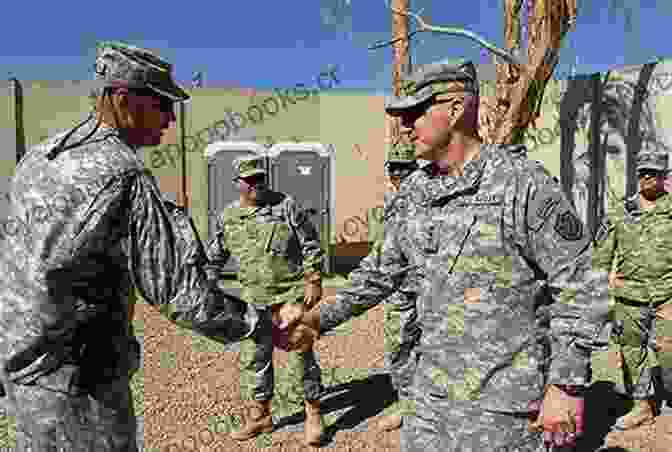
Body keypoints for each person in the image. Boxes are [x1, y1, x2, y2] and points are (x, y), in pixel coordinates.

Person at [280, 59, 610, 451]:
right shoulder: (414, 193)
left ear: (455, 108)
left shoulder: (521, 185)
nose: (404, 126)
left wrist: (565, 384)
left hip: (504, 409)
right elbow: (381, 271)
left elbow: (581, 284)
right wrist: (318, 318)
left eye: (415, 112)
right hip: (430, 402)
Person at [0, 41, 260, 452]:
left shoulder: (39, 158)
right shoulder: (123, 173)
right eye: (162, 104)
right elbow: (177, 290)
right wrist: (258, 324)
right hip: (80, 383)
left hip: (24, 373)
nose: (171, 118)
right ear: (124, 99)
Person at [206, 156, 325, 446]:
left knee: (301, 357)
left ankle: (313, 413)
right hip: (253, 302)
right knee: (255, 360)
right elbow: (215, 256)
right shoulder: (228, 216)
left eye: (260, 178)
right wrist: (207, 282)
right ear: (237, 184)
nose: (256, 184)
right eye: (249, 180)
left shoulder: (285, 205)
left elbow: (310, 243)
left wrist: (314, 279)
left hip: (289, 296)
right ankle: (261, 417)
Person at [592, 151, 672, 447]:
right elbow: (601, 256)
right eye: (643, 173)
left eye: (654, 172)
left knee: (667, 353)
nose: (648, 177)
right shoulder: (620, 210)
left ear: (665, 176)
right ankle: (643, 405)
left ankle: (668, 393)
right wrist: (597, 292)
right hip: (630, 296)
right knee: (630, 352)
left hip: (668, 294)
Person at [376, 141, 421, 431]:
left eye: (405, 167)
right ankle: (407, 404)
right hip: (399, 288)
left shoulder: (432, 194)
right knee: (398, 346)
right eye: (394, 167)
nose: (399, 173)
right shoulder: (389, 200)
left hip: (432, 287)